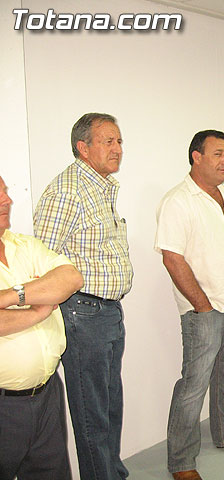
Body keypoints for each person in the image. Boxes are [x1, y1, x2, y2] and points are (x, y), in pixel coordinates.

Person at [155, 130, 224, 480]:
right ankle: (182, 462)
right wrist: (201, 305)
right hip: (204, 310)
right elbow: (172, 258)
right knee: (193, 386)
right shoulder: (178, 201)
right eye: (218, 154)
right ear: (196, 157)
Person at [33, 112, 134, 480]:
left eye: (119, 141)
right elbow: (41, 261)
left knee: (110, 408)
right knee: (93, 414)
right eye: (108, 141)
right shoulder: (67, 191)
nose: (117, 148)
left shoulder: (100, 188)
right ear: (83, 147)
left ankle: (113, 474)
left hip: (107, 313)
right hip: (82, 313)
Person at [0, 175, 83, 480]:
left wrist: (13, 296)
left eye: (5, 192)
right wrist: (39, 308)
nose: (7, 200)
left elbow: (71, 278)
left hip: (46, 394)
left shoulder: (23, 244)